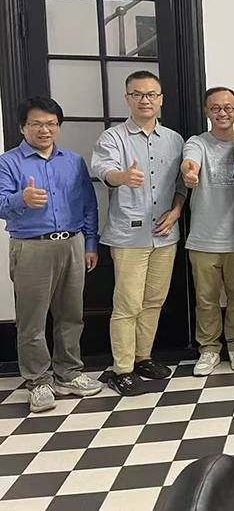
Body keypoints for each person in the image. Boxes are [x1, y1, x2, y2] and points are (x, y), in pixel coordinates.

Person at [0, 97, 102, 412]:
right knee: (31, 321)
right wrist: (22, 199)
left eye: (51, 124)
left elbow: (88, 204)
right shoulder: (8, 162)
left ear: (58, 126)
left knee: (71, 315)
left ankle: (68, 373)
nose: (44, 130)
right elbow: (1, 204)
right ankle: (38, 382)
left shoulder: (73, 161)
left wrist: (90, 244)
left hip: (72, 243)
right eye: (36, 124)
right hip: (31, 246)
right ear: (23, 127)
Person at [92, 71, 187, 396]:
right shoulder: (112, 138)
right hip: (128, 236)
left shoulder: (174, 140)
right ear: (128, 99)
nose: (145, 100)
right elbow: (103, 170)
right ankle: (122, 369)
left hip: (165, 234)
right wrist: (122, 177)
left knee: (153, 301)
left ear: (161, 99)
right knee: (128, 304)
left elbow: (181, 184)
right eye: (137, 94)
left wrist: (176, 211)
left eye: (151, 94)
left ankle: (143, 357)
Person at [182, 87, 234, 377]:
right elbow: (190, 160)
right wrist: (190, 171)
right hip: (204, 238)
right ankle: (209, 348)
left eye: (228, 108)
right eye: (215, 108)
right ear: (206, 111)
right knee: (206, 299)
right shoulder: (197, 142)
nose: (222, 113)